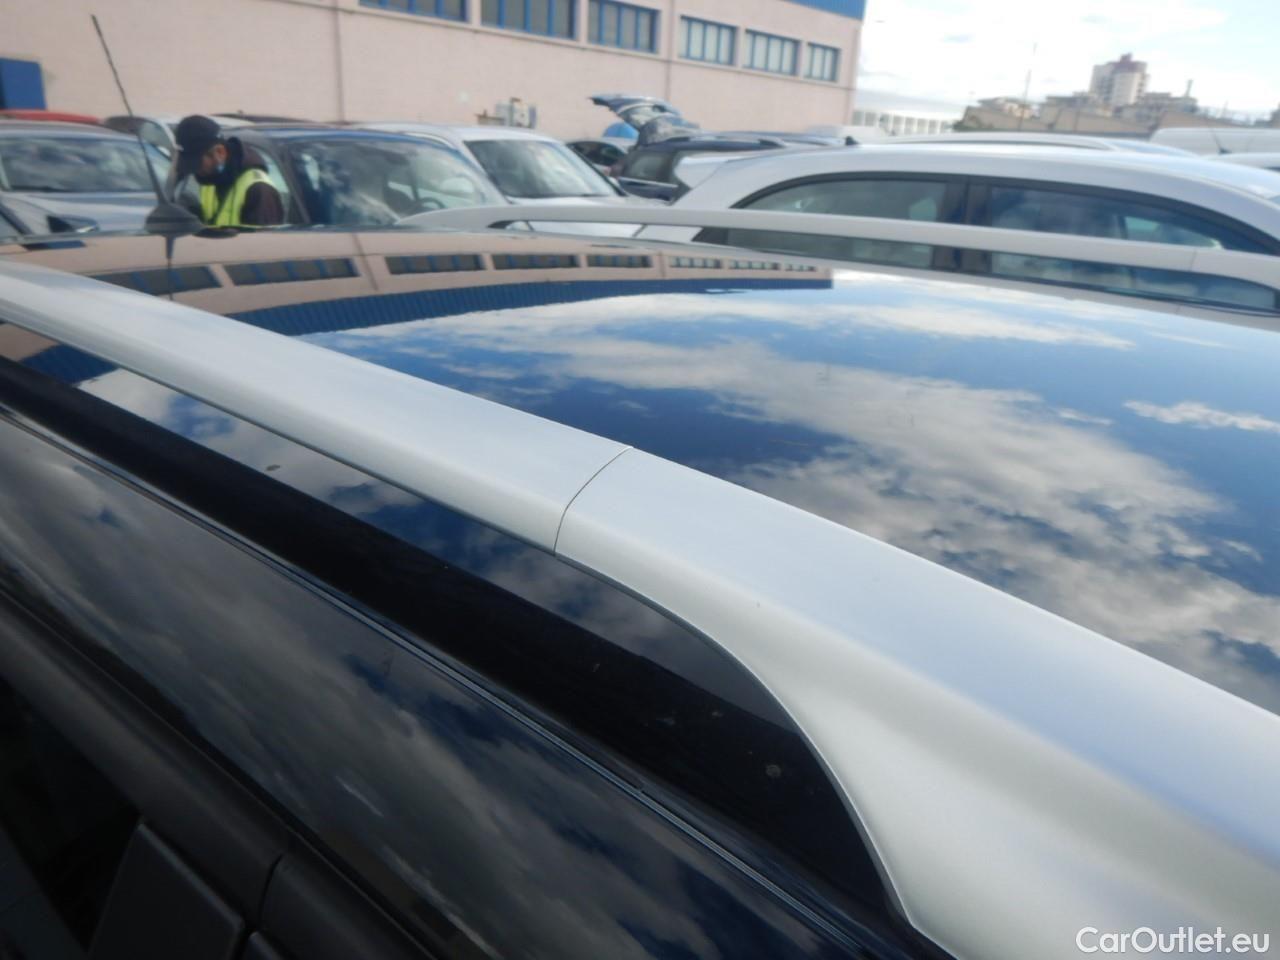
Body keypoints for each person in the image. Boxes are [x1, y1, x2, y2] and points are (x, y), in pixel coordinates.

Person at [174, 115, 284, 228]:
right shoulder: (212, 178)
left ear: (220, 152)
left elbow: (264, 239)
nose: (196, 171)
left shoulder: (259, 191)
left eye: (198, 163)